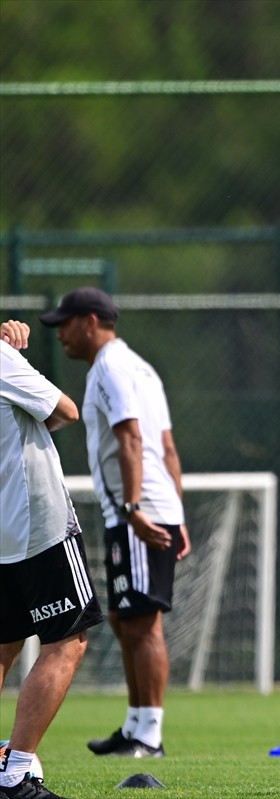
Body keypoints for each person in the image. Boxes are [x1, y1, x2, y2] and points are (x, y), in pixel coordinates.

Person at [39, 288, 190, 759]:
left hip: (138, 510)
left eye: (65, 323)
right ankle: (135, 726)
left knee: (142, 623)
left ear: (90, 321)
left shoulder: (110, 368)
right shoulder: (139, 366)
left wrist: (132, 509)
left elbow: (132, 439)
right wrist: (177, 514)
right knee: (128, 619)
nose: (60, 333)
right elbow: (166, 447)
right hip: (143, 509)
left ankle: (149, 735)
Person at [1, 318, 105, 799]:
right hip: (36, 521)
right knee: (69, 640)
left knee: (3, 645)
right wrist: (16, 359)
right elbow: (66, 411)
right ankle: (17, 772)